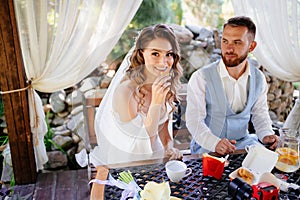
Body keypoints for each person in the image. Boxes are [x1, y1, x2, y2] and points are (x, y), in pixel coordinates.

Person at [90, 24, 183, 165]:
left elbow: (164, 127)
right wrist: (156, 103)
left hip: (154, 159)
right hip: (127, 165)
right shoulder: (125, 92)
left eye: (169, 54)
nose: (163, 62)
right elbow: (140, 145)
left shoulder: (164, 83)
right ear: (141, 54)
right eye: (155, 54)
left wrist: (169, 148)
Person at [185, 16, 279, 156]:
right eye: (225, 41)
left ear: (251, 46)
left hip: (244, 144)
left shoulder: (259, 79)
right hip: (208, 147)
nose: (228, 48)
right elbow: (194, 121)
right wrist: (214, 143)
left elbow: (260, 114)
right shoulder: (201, 78)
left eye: (237, 42)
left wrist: (266, 134)